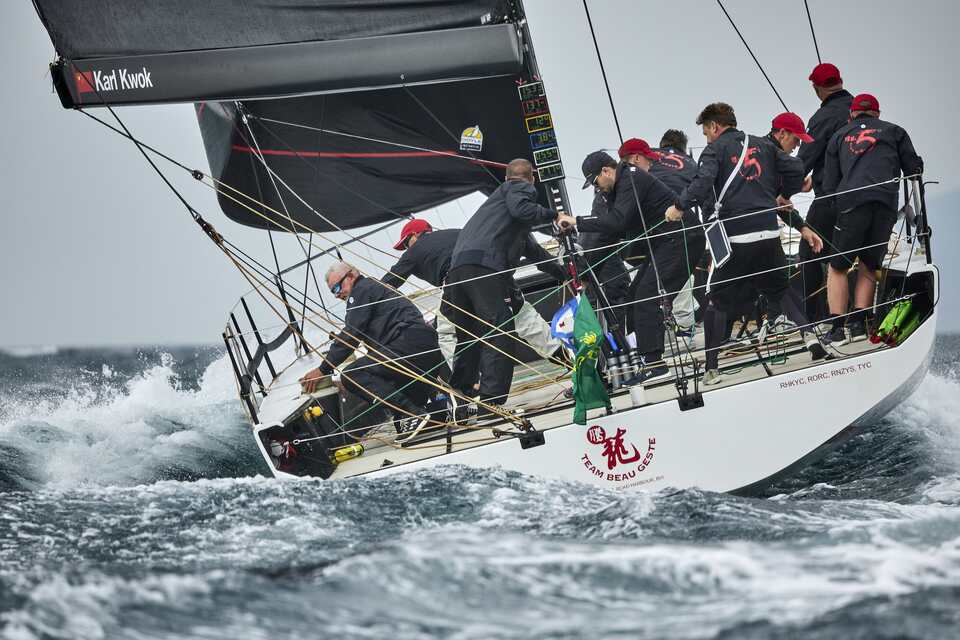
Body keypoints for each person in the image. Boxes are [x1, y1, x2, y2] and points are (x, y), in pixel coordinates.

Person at [665, 102, 804, 385]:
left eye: (706, 132)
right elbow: (796, 166)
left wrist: (679, 207)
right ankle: (812, 338)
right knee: (779, 286)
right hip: (768, 230)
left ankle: (711, 369)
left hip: (735, 235)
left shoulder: (714, 150)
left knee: (715, 298)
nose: (706, 137)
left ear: (714, 126)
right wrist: (779, 194)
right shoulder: (761, 143)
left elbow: (704, 182)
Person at [558, 145, 704, 384]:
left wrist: (577, 222)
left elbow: (619, 221)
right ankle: (643, 359)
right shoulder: (617, 187)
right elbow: (607, 232)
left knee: (648, 295)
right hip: (665, 241)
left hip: (683, 238)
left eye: (595, 182)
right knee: (635, 295)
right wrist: (585, 271)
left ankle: (656, 364)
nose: (596, 188)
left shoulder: (631, 177)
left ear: (607, 171)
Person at [445, 159, 562, 414]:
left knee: (469, 336)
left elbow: (535, 253)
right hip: (483, 267)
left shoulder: (497, 214)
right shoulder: (516, 188)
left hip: (457, 270)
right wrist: (556, 215)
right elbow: (524, 209)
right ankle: (491, 401)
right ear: (530, 177)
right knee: (500, 327)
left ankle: (460, 396)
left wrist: (563, 274)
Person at [381, 218, 565, 364]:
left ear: (415, 235)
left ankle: (468, 391)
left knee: (447, 335)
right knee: (525, 318)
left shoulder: (414, 251)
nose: (406, 248)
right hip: (495, 274)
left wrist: (366, 295)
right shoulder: (460, 233)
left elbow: (390, 282)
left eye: (406, 243)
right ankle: (569, 359)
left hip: (459, 286)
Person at [821, 93, 923, 345]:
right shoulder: (895, 131)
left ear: (852, 114)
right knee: (869, 265)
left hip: (852, 204)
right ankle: (858, 325)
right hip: (885, 204)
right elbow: (914, 169)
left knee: (838, 267)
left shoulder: (839, 135)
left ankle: (836, 329)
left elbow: (829, 183)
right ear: (877, 113)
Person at [299, 262, 447, 436]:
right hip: (423, 346)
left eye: (338, 287)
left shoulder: (361, 290)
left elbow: (351, 335)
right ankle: (429, 415)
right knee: (399, 416)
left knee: (352, 375)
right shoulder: (376, 288)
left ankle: (413, 414)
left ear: (351, 275)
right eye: (333, 291)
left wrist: (323, 369)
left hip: (407, 345)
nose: (337, 294)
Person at [797, 63, 855, 321]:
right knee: (858, 254)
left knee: (809, 249)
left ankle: (812, 318)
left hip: (832, 197)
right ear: (840, 81)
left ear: (816, 88)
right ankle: (858, 318)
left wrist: (793, 181)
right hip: (866, 198)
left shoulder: (822, 117)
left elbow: (805, 158)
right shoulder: (859, 110)